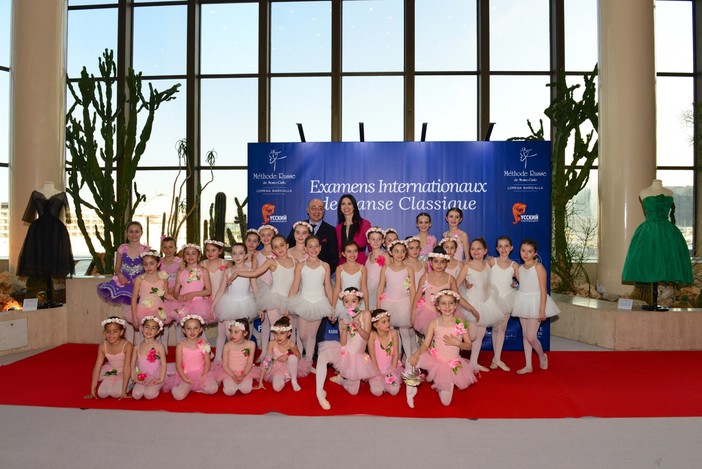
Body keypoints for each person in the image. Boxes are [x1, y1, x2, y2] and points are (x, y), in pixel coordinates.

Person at [409, 290, 478, 407]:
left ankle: (442, 385)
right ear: (438, 306)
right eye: (443, 304)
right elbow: (425, 345)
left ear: (455, 305)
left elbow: (469, 345)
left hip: (451, 365)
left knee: (446, 403)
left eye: (450, 303)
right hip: (435, 362)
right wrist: (416, 354)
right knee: (410, 361)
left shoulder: (460, 323)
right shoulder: (433, 323)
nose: (447, 307)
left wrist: (458, 343)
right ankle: (410, 391)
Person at [232, 234, 297, 358]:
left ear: (287, 246)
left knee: (288, 332)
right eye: (276, 247)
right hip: (273, 301)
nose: (280, 249)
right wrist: (237, 273)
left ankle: (287, 359)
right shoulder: (271, 261)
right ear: (273, 250)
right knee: (276, 333)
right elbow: (255, 272)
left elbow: (296, 283)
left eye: (282, 245)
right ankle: (272, 359)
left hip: (290, 301)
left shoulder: (295, 261)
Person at [622, 179, 693, 285]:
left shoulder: (670, 192)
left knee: (668, 260)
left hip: (668, 233)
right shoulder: (643, 192)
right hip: (649, 232)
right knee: (649, 260)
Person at [315, 287, 376, 410]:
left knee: (353, 392)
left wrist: (358, 326)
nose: (350, 304)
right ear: (343, 303)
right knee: (322, 357)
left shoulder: (366, 314)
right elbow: (343, 343)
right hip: (344, 351)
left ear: (359, 302)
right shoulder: (343, 317)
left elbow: (366, 336)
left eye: (353, 301)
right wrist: (343, 329)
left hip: (357, 357)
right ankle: (319, 394)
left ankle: (341, 380)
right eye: (346, 301)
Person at [456, 238, 505, 372]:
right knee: (471, 336)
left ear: (485, 251)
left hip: (486, 303)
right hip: (472, 303)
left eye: (479, 249)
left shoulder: (488, 264)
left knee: (480, 335)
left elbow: (503, 263)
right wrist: (465, 287)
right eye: (473, 249)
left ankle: (473, 362)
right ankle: (453, 345)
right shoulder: (467, 267)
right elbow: (455, 286)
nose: (475, 251)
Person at [512, 239, 560, 375]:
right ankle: (528, 365)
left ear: (535, 253)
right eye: (523, 250)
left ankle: (542, 356)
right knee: (525, 335)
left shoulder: (539, 267)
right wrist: (514, 285)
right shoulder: (519, 269)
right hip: (522, 300)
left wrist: (542, 309)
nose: (526, 254)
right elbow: (522, 284)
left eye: (529, 251)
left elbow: (543, 289)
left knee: (531, 336)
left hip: (536, 301)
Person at [287, 236, 335, 364]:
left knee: (312, 335)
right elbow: (295, 286)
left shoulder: (325, 266)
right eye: (310, 246)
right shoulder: (300, 266)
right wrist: (288, 305)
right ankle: (306, 356)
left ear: (320, 248)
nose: (313, 249)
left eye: (316, 246)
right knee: (303, 335)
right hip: (303, 302)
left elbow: (328, 288)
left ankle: (308, 361)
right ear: (306, 248)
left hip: (319, 303)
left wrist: (332, 307)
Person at [17, 181, 75, 283]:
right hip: (38, 231)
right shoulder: (35, 194)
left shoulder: (62, 195)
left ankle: (50, 293)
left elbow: (67, 215)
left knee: (53, 255)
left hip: (56, 230)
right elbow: (29, 215)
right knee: (40, 254)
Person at [211, 243, 259, 362]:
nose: (237, 256)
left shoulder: (250, 271)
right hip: (228, 304)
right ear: (231, 255)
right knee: (225, 334)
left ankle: (242, 360)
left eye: (241, 253)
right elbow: (221, 289)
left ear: (246, 255)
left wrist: (261, 306)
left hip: (245, 305)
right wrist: (213, 306)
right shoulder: (228, 270)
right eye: (234, 253)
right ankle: (218, 359)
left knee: (242, 335)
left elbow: (255, 289)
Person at [96, 222, 149, 317]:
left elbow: (149, 269)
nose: (134, 234)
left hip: (141, 285)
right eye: (131, 232)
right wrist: (120, 275)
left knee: (142, 314)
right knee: (128, 315)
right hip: (125, 284)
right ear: (127, 233)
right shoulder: (122, 248)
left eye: (137, 231)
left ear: (141, 233)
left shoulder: (146, 250)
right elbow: (117, 268)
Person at [377, 239, 416, 364]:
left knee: (405, 333)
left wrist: (413, 307)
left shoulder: (408, 269)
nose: (400, 254)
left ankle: (410, 361)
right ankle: (393, 360)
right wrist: (379, 307)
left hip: (404, 304)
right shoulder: (386, 268)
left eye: (403, 251)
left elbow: (413, 289)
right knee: (390, 333)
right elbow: (380, 288)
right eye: (396, 251)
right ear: (391, 253)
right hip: (389, 304)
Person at [163, 315, 219, 400]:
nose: (192, 331)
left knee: (214, 389)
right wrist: (185, 378)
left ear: (200, 330)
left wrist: (204, 375)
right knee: (178, 396)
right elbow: (178, 365)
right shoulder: (180, 346)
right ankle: (180, 388)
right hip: (185, 374)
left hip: (201, 372)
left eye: (195, 328)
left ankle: (196, 387)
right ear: (184, 331)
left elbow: (207, 362)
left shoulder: (204, 343)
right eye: (188, 328)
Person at [165, 244, 214, 338]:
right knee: (182, 331)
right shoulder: (181, 272)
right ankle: (182, 350)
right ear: (184, 257)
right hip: (183, 304)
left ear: (199, 256)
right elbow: (176, 290)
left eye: (193, 253)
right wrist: (177, 296)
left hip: (198, 304)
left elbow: (208, 291)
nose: (190, 256)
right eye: (187, 254)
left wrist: (193, 294)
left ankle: (202, 350)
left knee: (198, 330)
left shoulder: (203, 271)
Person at [486, 235, 519, 371]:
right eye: (500, 246)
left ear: (511, 248)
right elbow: (482, 274)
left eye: (506, 246)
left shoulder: (514, 265)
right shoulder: (491, 261)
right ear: (496, 248)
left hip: (507, 300)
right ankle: (496, 359)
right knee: (495, 328)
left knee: (502, 329)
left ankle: (497, 359)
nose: (503, 249)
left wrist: (515, 284)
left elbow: (522, 281)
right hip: (492, 298)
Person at [411, 247, 459, 336]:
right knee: (429, 340)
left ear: (446, 264)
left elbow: (457, 297)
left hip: (445, 313)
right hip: (427, 312)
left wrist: (471, 308)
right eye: (436, 261)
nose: (439, 264)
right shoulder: (425, 277)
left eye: (442, 262)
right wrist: (413, 314)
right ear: (431, 263)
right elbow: (417, 296)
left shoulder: (450, 279)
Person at [130, 249, 172, 344]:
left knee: (157, 339)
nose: (148, 267)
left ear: (158, 264)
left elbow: (166, 295)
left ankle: (157, 358)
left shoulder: (163, 278)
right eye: (145, 264)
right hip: (143, 311)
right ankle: (142, 357)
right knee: (143, 338)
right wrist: (134, 318)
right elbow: (133, 299)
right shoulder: (139, 279)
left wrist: (180, 299)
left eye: (152, 263)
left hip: (159, 310)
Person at [86, 317, 133, 399]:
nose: (111, 335)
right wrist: (92, 390)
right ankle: (113, 382)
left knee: (116, 393)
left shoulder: (127, 346)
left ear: (121, 332)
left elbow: (127, 367)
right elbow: (97, 368)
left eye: (115, 331)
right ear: (104, 332)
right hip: (113, 370)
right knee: (102, 394)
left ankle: (130, 384)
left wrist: (123, 391)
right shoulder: (102, 346)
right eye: (108, 332)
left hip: (126, 371)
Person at [287, 198, 339, 272]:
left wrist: (324, 275)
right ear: (308, 210)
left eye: (320, 208)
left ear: (323, 211)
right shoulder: (298, 226)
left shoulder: (331, 230)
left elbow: (333, 258)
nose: (317, 211)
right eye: (313, 208)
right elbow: (288, 247)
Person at [258, 317, 307, 392]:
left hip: (290, 367)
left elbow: (298, 356)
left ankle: (294, 380)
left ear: (289, 333)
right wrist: (260, 381)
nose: (278, 336)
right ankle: (283, 378)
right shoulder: (272, 344)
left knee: (292, 357)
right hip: (277, 369)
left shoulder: (291, 344)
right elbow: (267, 362)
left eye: (282, 333)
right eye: (276, 333)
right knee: (277, 388)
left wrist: (288, 355)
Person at [367, 309, 403, 397]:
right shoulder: (372, 335)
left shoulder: (393, 333)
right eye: (384, 322)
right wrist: (378, 372)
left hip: (390, 369)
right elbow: (372, 355)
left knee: (394, 391)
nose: (388, 324)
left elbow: (396, 353)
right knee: (377, 392)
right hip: (376, 370)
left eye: (388, 321)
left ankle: (390, 379)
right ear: (375, 325)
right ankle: (375, 380)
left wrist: (392, 370)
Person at [131, 316, 167, 400]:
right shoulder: (137, 347)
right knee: (136, 395)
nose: (149, 330)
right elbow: (133, 364)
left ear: (158, 331)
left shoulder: (159, 346)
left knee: (148, 395)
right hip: (142, 376)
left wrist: (160, 379)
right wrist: (134, 377)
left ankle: (158, 386)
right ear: (142, 328)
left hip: (155, 376)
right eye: (147, 327)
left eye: (153, 328)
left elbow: (164, 364)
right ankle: (137, 386)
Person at [220, 320, 258, 396]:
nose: (232, 335)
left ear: (245, 333)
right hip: (230, 372)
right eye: (231, 331)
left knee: (246, 390)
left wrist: (244, 374)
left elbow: (249, 362)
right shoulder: (227, 346)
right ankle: (232, 385)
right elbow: (225, 365)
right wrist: (233, 376)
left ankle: (240, 384)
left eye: (236, 332)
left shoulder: (251, 344)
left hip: (244, 371)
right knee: (230, 391)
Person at [331, 241, 369, 317]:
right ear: (343, 254)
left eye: (355, 251)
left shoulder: (362, 268)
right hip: (343, 304)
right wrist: (333, 308)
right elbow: (337, 288)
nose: (352, 254)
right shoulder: (339, 269)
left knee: (355, 323)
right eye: (349, 251)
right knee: (345, 325)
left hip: (357, 304)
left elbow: (364, 288)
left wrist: (367, 307)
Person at [335, 194, 371, 265]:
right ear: (340, 208)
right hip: (343, 265)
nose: (346, 206)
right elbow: (339, 250)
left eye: (349, 203)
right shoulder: (338, 228)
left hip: (360, 263)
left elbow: (371, 247)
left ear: (354, 206)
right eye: (343, 204)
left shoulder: (365, 224)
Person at [200, 239, 231, 305]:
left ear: (220, 251)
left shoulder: (227, 263)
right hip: (207, 298)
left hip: (223, 298)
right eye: (207, 250)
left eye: (213, 250)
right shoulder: (202, 265)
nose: (210, 253)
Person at [365, 227, 389, 310]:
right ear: (368, 240)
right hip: (368, 289)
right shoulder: (368, 255)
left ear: (382, 241)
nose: (375, 242)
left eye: (378, 239)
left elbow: (389, 275)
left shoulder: (385, 256)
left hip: (379, 290)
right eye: (372, 239)